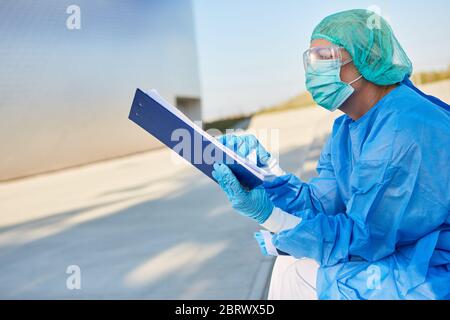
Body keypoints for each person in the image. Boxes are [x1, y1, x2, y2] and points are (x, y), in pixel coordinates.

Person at [212, 9, 450, 300]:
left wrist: (273, 218)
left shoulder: (404, 126)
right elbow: (323, 204)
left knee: (300, 277)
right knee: (288, 263)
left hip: (430, 267)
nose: (313, 71)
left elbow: (364, 238)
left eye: (325, 58)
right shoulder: (347, 129)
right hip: (400, 249)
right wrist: (267, 176)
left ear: (367, 57)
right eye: (310, 60)